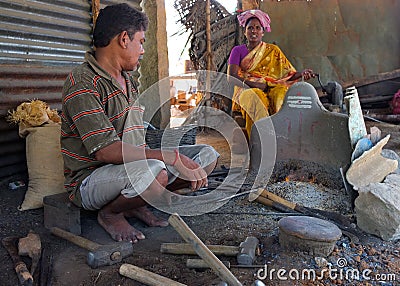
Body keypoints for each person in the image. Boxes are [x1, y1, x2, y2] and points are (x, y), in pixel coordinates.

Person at [61, 3, 219, 243]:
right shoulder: (83, 81)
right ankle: (111, 213)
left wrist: (170, 155)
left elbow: (136, 138)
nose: (143, 50)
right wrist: (170, 157)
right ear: (124, 39)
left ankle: (133, 203)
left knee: (207, 156)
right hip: (90, 181)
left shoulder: (128, 80)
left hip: (129, 171)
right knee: (157, 171)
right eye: (141, 41)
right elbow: (105, 152)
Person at [227, 9, 316, 136]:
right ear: (245, 31)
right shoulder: (237, 51)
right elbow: (232, 77)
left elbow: (288, 74)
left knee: (281, 94)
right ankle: (261, 141)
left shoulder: (273, 50)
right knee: (255, 97)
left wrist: (302, 73)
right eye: (250, 28)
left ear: (263, 32)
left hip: (270, 87)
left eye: (258, 28)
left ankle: (283, 137)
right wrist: (255, 85)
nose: (254, 31)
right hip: (246, 89)